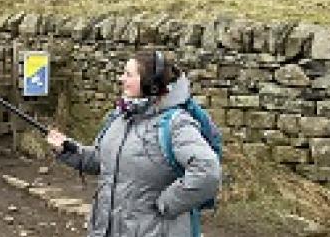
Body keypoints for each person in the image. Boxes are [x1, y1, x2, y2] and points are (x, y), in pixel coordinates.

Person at [47, 50, 221, 237]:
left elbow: (207, 171)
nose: (121, 79)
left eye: (129, 74)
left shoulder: (176, 124)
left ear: (150, 84)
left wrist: (168, 203)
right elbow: (101, 160)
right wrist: (68, 149)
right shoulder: (119, 117)